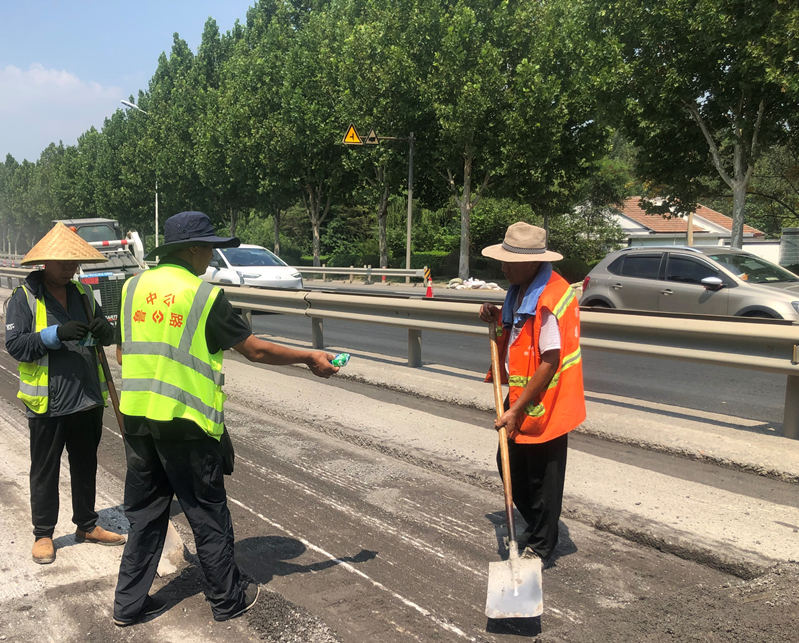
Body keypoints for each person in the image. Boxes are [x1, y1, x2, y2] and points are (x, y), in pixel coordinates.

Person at [112, 211, 339, 626]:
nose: (212, 257)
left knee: (144, 515)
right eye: (210, 249)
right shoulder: (202, 296)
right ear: (193, 250)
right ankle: (226, 599)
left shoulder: (132, 288)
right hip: (186, 423)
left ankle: (127, 605)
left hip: (138, 420)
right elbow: (255, 349)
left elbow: (123, 353)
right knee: (206, 513)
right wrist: (309, 356)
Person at [5, 223, 125, 565]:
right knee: (45, 469)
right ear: (45, 262)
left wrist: (105, 330)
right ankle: (43, 533)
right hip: (49, 402)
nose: (69, 268)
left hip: (86, 398)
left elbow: (103, 336)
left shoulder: (83, 294)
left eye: (74, 262)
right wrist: (55, 334)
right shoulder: (25, 298)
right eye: (63, 262)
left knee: (86, 465)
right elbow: (16, 345)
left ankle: (86, 524)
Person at [478, 221, 585, 562]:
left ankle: (541, 544)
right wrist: (496, 316)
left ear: (532, 262)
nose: (503, 267)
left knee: (543, 478)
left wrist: (516, 409)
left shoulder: (550, 298)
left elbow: (550, 362)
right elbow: (518, 333)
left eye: (509, 262)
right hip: (524, 395)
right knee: (509, 462)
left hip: (548, 399)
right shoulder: (520, 290)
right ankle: (537, 525)